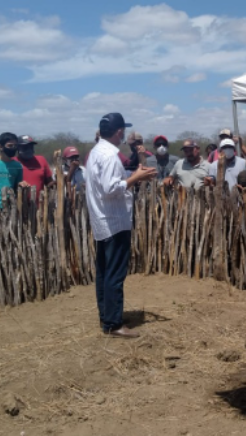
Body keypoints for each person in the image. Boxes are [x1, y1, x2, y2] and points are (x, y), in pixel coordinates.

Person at [86, 112, 156, 338]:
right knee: (114, 274)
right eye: (123, 130)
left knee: (105, 273)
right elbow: (111, 188)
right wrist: (136, 178)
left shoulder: (97, 151)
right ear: (118, 132)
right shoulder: (109, 156)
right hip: (114, 222)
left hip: (102, 220)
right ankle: (114, 324)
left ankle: (107, 316)